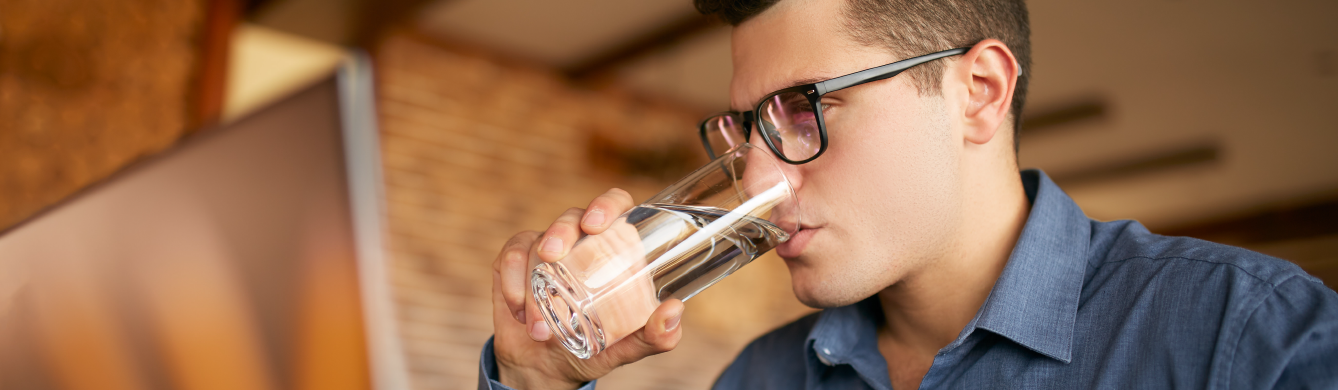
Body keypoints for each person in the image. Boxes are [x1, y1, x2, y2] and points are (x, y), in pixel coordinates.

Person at [478, 0, 1338, 388]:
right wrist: (533, 389)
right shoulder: (762, 380)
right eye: (749, 127)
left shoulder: (1248, 341)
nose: (760, 182)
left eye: (806, 109)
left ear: (980, 93)